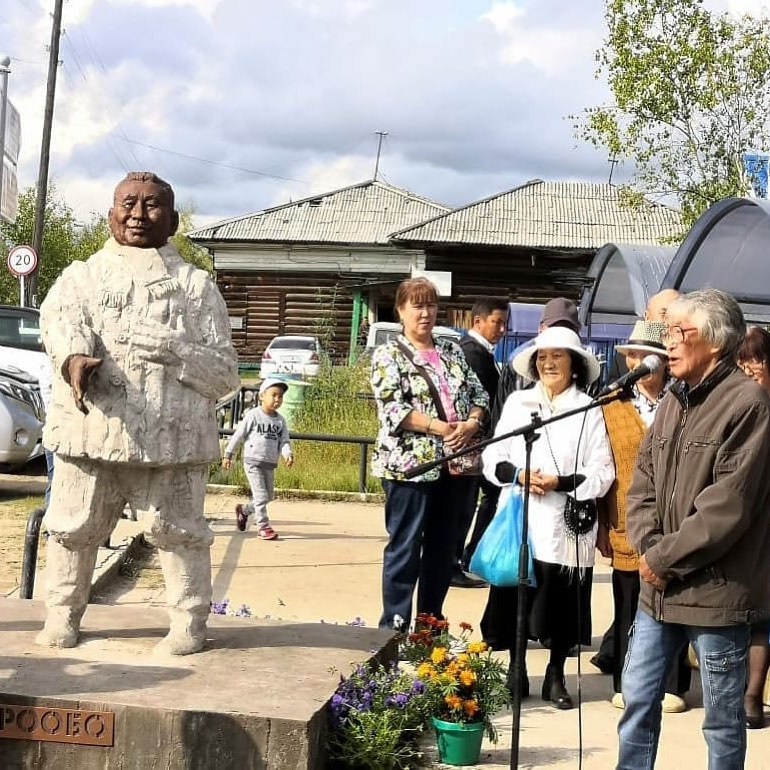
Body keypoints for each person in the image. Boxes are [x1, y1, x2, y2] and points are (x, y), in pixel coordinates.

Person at [37, 171, 240, 656]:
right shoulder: (81, 277)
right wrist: (74, 356)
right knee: (72, 526)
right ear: (111, 213)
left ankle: (189, 621)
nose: (138, 214)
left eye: (152, 206)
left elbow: (225, 372)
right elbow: (58, 321)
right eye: (128, 203)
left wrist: (175, 350)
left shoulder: (195, 288)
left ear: (171, 220)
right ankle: (62, 613)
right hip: (93, 429)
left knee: (180, 533)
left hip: (171, 436)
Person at [617, 289, 770, 770]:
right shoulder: (672, 399)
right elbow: (641, 484)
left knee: (722, 722)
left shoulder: (748, 405)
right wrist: (648, 550)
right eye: (667, 333)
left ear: (716, 342)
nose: (669, 345)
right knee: (638, 706)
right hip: (656, 593)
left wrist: (661, 560)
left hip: (714, 597)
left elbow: (727, 508)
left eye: (680, 333)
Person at [481, 326, 615, 709]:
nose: (549, 363)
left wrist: (563, 482)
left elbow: (602, 470)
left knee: (562, 600)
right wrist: (520, 474)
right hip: (522, 517)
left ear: (574, 365)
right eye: (543, 357)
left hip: (568, 522)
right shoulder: (519, 404)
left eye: (558, 356)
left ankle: (556, 675)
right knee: (516, 596)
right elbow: (493, 457)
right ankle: (516, 669)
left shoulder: (588, 409)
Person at [370, 277, 489, 630]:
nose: (426, 313)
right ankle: (391, 629)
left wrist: (471, 422)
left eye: (431, 305)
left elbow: (480, 394)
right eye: (417, 306)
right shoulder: (388, 354)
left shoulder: (452, 351)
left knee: (442, 550)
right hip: (411, 467)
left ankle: (429, 628)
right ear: (402, 311)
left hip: (455, 468)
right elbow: (394, 408)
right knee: (405, 548)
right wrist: (441, 427)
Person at [599, 320, 690, 713]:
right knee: (627, 604)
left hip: (675, 521)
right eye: (631, 355)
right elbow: (601, 468)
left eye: (644, 355)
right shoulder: (611, 404)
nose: (636, 361)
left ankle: (673, 684)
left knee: (674, 602)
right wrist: (602, 524)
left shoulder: (685, 401)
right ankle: (625, 680)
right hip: (624, 517)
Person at [451, 297, 508, 588]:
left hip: (482, 441)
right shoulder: (471, 353)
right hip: (472, 442)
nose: (501, 329)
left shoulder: (482, 352)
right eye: (496, 322)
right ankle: (459, 559)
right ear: (478, 321)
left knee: (488, 496)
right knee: (468, 502)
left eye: (504, 323)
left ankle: (468, 555)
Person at [736, 325, 770, 730]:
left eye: (758, 359)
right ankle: (734, 693)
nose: (751, 367)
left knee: (764, 614)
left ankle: (752, 695)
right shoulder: (736, 404)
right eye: (743, 361)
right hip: (741, 520)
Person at [222, 377, 294, 541]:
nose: (277, 400)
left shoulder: (280, 421)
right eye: (273, 395)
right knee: (261, 496)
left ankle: (244, 510)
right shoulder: (253, 415)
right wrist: (228, 454)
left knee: (268, 496)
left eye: (280, 396)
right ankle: (263, 526)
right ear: (262, 396)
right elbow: (239, 435)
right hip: (253, 462)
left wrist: (287, 454)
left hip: (269, 464)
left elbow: (284, 441)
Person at [491, 297, 581, 426]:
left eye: (567, 330)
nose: (560, 334)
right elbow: (500, 419)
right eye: (554, 328)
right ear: (540, 329)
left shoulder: (586, 367)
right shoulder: (517, 362)